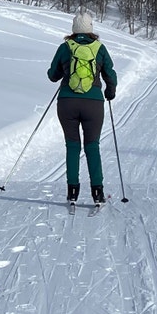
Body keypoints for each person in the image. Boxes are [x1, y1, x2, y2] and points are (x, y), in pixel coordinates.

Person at [47, 10, 118, 204]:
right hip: (93, 103)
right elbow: (110, 74)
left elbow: (53, 75)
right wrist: (109, 92)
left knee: (72, 146)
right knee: (92, 146)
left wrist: (64, 71)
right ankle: (97, 192)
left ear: (73, 29)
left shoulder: (65, 47)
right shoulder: (99, 48)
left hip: (67, 102)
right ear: (91, 29)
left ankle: (72, 192)